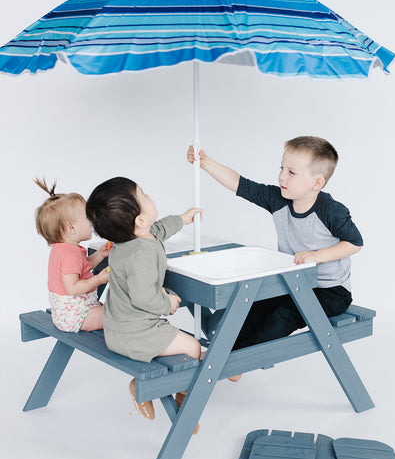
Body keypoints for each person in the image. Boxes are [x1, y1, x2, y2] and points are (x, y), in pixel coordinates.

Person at [187, 136, 363, 354]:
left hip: (330, 292)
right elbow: (241, 184)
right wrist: (205, 162)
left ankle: (231, 359)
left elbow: (355, 243)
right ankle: (224, 353)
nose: (281, 176)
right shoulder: (279, 199)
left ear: (317, 182)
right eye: (282, 168)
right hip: (291, 282)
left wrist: (318, 255)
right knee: (255, 305)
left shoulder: (331, 210)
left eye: (291, 172)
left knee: (285, 314)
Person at [86, 177, 202, 422]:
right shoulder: (141, 254)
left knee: (178, 343)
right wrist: (168, 304)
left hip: (118, 329)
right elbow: (143, 297)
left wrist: (182, 219)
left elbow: (158, 229)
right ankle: (148, 388)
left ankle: (178, 392)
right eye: (144, 195)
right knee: (193, 347)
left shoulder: (128, 240)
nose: (149, 196)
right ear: (139, 220)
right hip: (135, 335)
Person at [34, 178, 110, 333]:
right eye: (88, 217)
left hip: (72, 313)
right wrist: (99, 279)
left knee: (114, 312)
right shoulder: (69, 254)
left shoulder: (64, 249)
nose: (92, 220)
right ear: (71, 228)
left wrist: (100, 254)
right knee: (120, 316)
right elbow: (73, 287)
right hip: (77, 316)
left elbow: (82, 267)